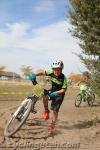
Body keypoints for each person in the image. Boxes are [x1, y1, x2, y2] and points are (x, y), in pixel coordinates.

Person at [28, 60, 67, 132]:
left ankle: (53, 124)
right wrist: (33, 74)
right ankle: (45, 110)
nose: (56, 71)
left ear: (61, 69)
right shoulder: (50, 72)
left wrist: (55, 93)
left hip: (59, 94)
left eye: (58, 70)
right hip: (51, 88)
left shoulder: (63, 78)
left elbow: (63, 90)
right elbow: (41, 71)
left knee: (54, 111)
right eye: (54, 69)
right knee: (44, 93)